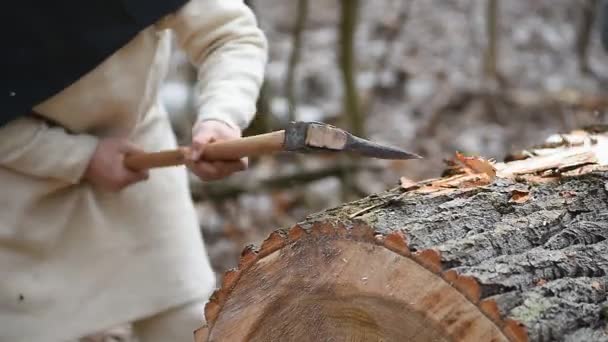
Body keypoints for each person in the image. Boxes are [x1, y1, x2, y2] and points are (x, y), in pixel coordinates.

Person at [0, 0, 268, 341]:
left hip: (140, 149)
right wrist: (79, 158)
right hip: (21, 186)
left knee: (189, 320)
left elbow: (229, 35)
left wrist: (222, 116)